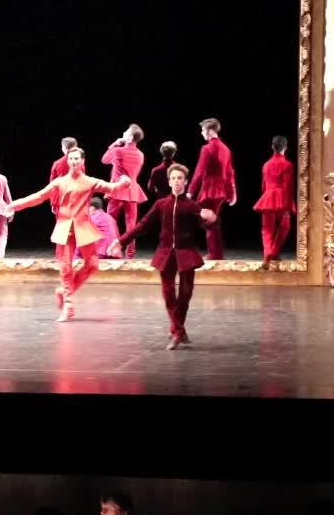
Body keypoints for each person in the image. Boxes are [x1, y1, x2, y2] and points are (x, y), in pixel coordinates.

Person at [5, 147, 131, 322]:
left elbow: (111, 188)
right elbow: (39, 196)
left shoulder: (89, 181)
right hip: (65, 228)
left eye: (76, 159)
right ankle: (68, 305)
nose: (73, 162)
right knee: (65, 267)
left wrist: (124, 182)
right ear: (68, 160)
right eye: (71, 159)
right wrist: (15, 205)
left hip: (84, 227)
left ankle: (65, 292)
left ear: (82, 161)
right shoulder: (60, 182)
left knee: (93, 265)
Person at [109, 164, 217, 350]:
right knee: (168, 295)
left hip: (187, 254)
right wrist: (121, 241)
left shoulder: (192, 206)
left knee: (185, 294)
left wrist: (212, 220)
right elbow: (142, 225)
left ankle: (177, 328)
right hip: (166, 254)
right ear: (169, 181)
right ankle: (177, 332)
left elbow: (205, 227)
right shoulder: (161, 204)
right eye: (173, 178)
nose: (176, 181)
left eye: (180, 178)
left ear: (185, 181)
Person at [188, 118, 236, 260]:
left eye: (203, 130)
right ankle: (216, 253)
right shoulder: (226, 148)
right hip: (221, 190)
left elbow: (199, 171)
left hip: (210, 189)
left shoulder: (207, 148)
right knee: (212, 220)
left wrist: (191, 190)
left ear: (210, 131)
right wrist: (232, 192)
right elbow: (230, 172)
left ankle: (215, 253)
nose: (202, 133)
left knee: (208, 220)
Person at [101, 124, 149, 258]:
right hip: (132, 190)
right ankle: (130, 253)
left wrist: (115, 144)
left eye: (126, 132)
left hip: (117, 190)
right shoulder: (141, 154)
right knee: (131, 225)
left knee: (110, 222)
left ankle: (111, 251)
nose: (123, 132)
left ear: (130, 138)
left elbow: (104, 160)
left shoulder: (118, 151)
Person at [253, 135, 295, 265]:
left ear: (272, 147)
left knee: (267, 229)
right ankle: (274, 251)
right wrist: (289, 203)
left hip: (268, 197)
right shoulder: (287, 165)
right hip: (282, 198)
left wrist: (266, 197)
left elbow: (263, 185)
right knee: (285, 227)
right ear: (286, 148)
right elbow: (288, 186)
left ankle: (268, 254)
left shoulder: (266, 165)